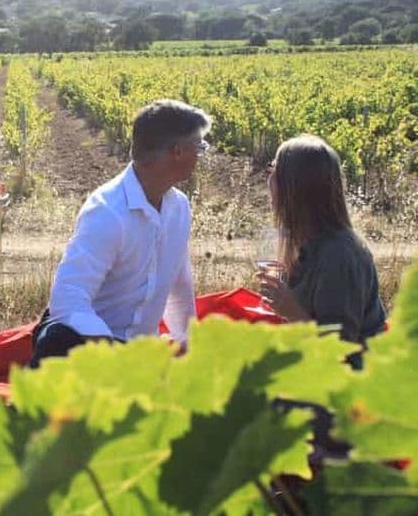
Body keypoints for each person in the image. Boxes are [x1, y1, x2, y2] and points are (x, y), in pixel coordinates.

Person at [29, 99, 212, 368]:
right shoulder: (107, 212)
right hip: (95, 347)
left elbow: (178, 284)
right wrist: (116, 356)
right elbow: (68, 298)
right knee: (58, 341)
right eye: (199, 145)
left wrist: (188, 345)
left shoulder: (179, 208)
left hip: (142, 352)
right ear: (178, 151)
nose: (201, 154)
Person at [257, 134, 386, 363]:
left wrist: (292, 311)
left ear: (296, 186)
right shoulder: (307, 244)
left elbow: (340, 352)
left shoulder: (338, 255)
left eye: (275, 170)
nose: (269, 179)